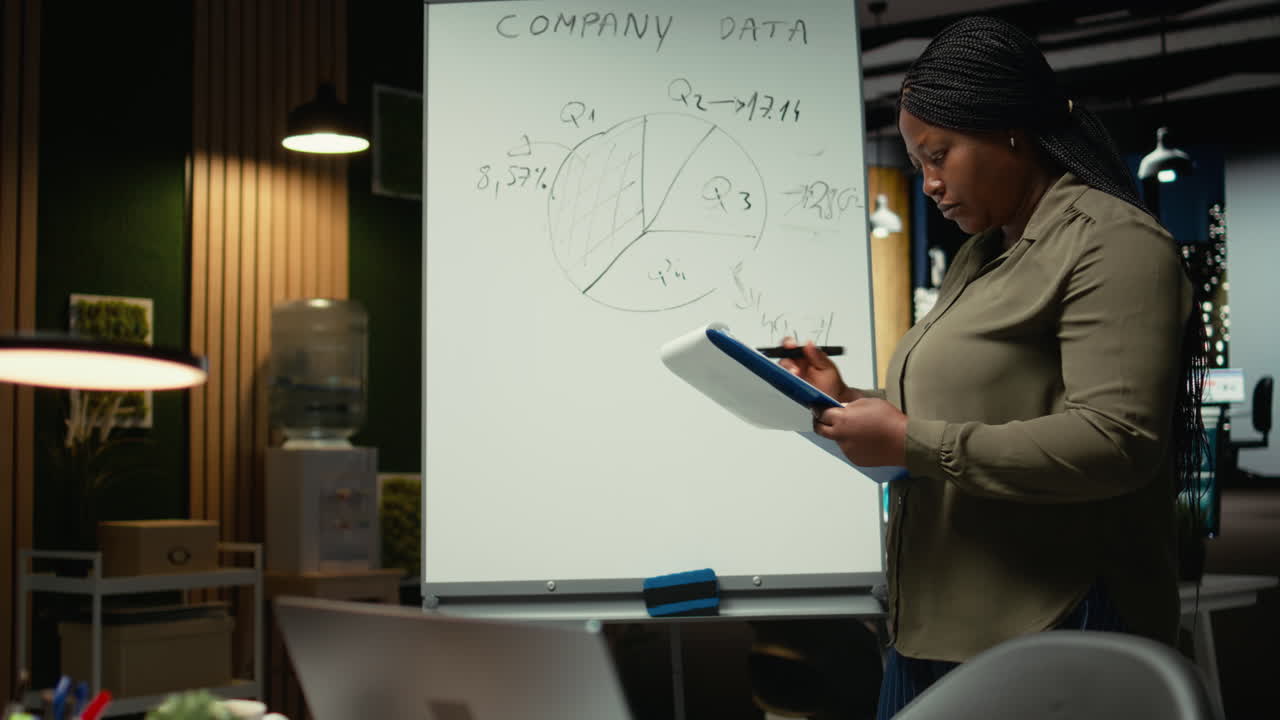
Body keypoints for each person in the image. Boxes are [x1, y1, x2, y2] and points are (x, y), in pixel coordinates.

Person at [780, 16, 1206, 718]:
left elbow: (1117, 441)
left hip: (1051, 621)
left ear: (1009, 128)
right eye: (919, 163)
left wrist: (911, 441)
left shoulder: (1113, 243)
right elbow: (978, 404)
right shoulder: (983, 255)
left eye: (939, 155)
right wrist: (849, 397)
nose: (930, 184)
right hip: (937, 620)